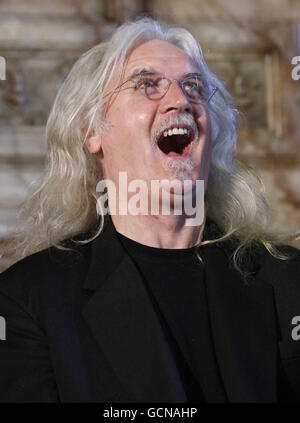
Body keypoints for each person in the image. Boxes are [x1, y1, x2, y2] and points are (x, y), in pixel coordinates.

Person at [0, 17, 299, 403]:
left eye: (193, 86)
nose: (180, 100)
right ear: (92, 132)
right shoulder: (28, 301)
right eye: (147, 85)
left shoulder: (288, 283)